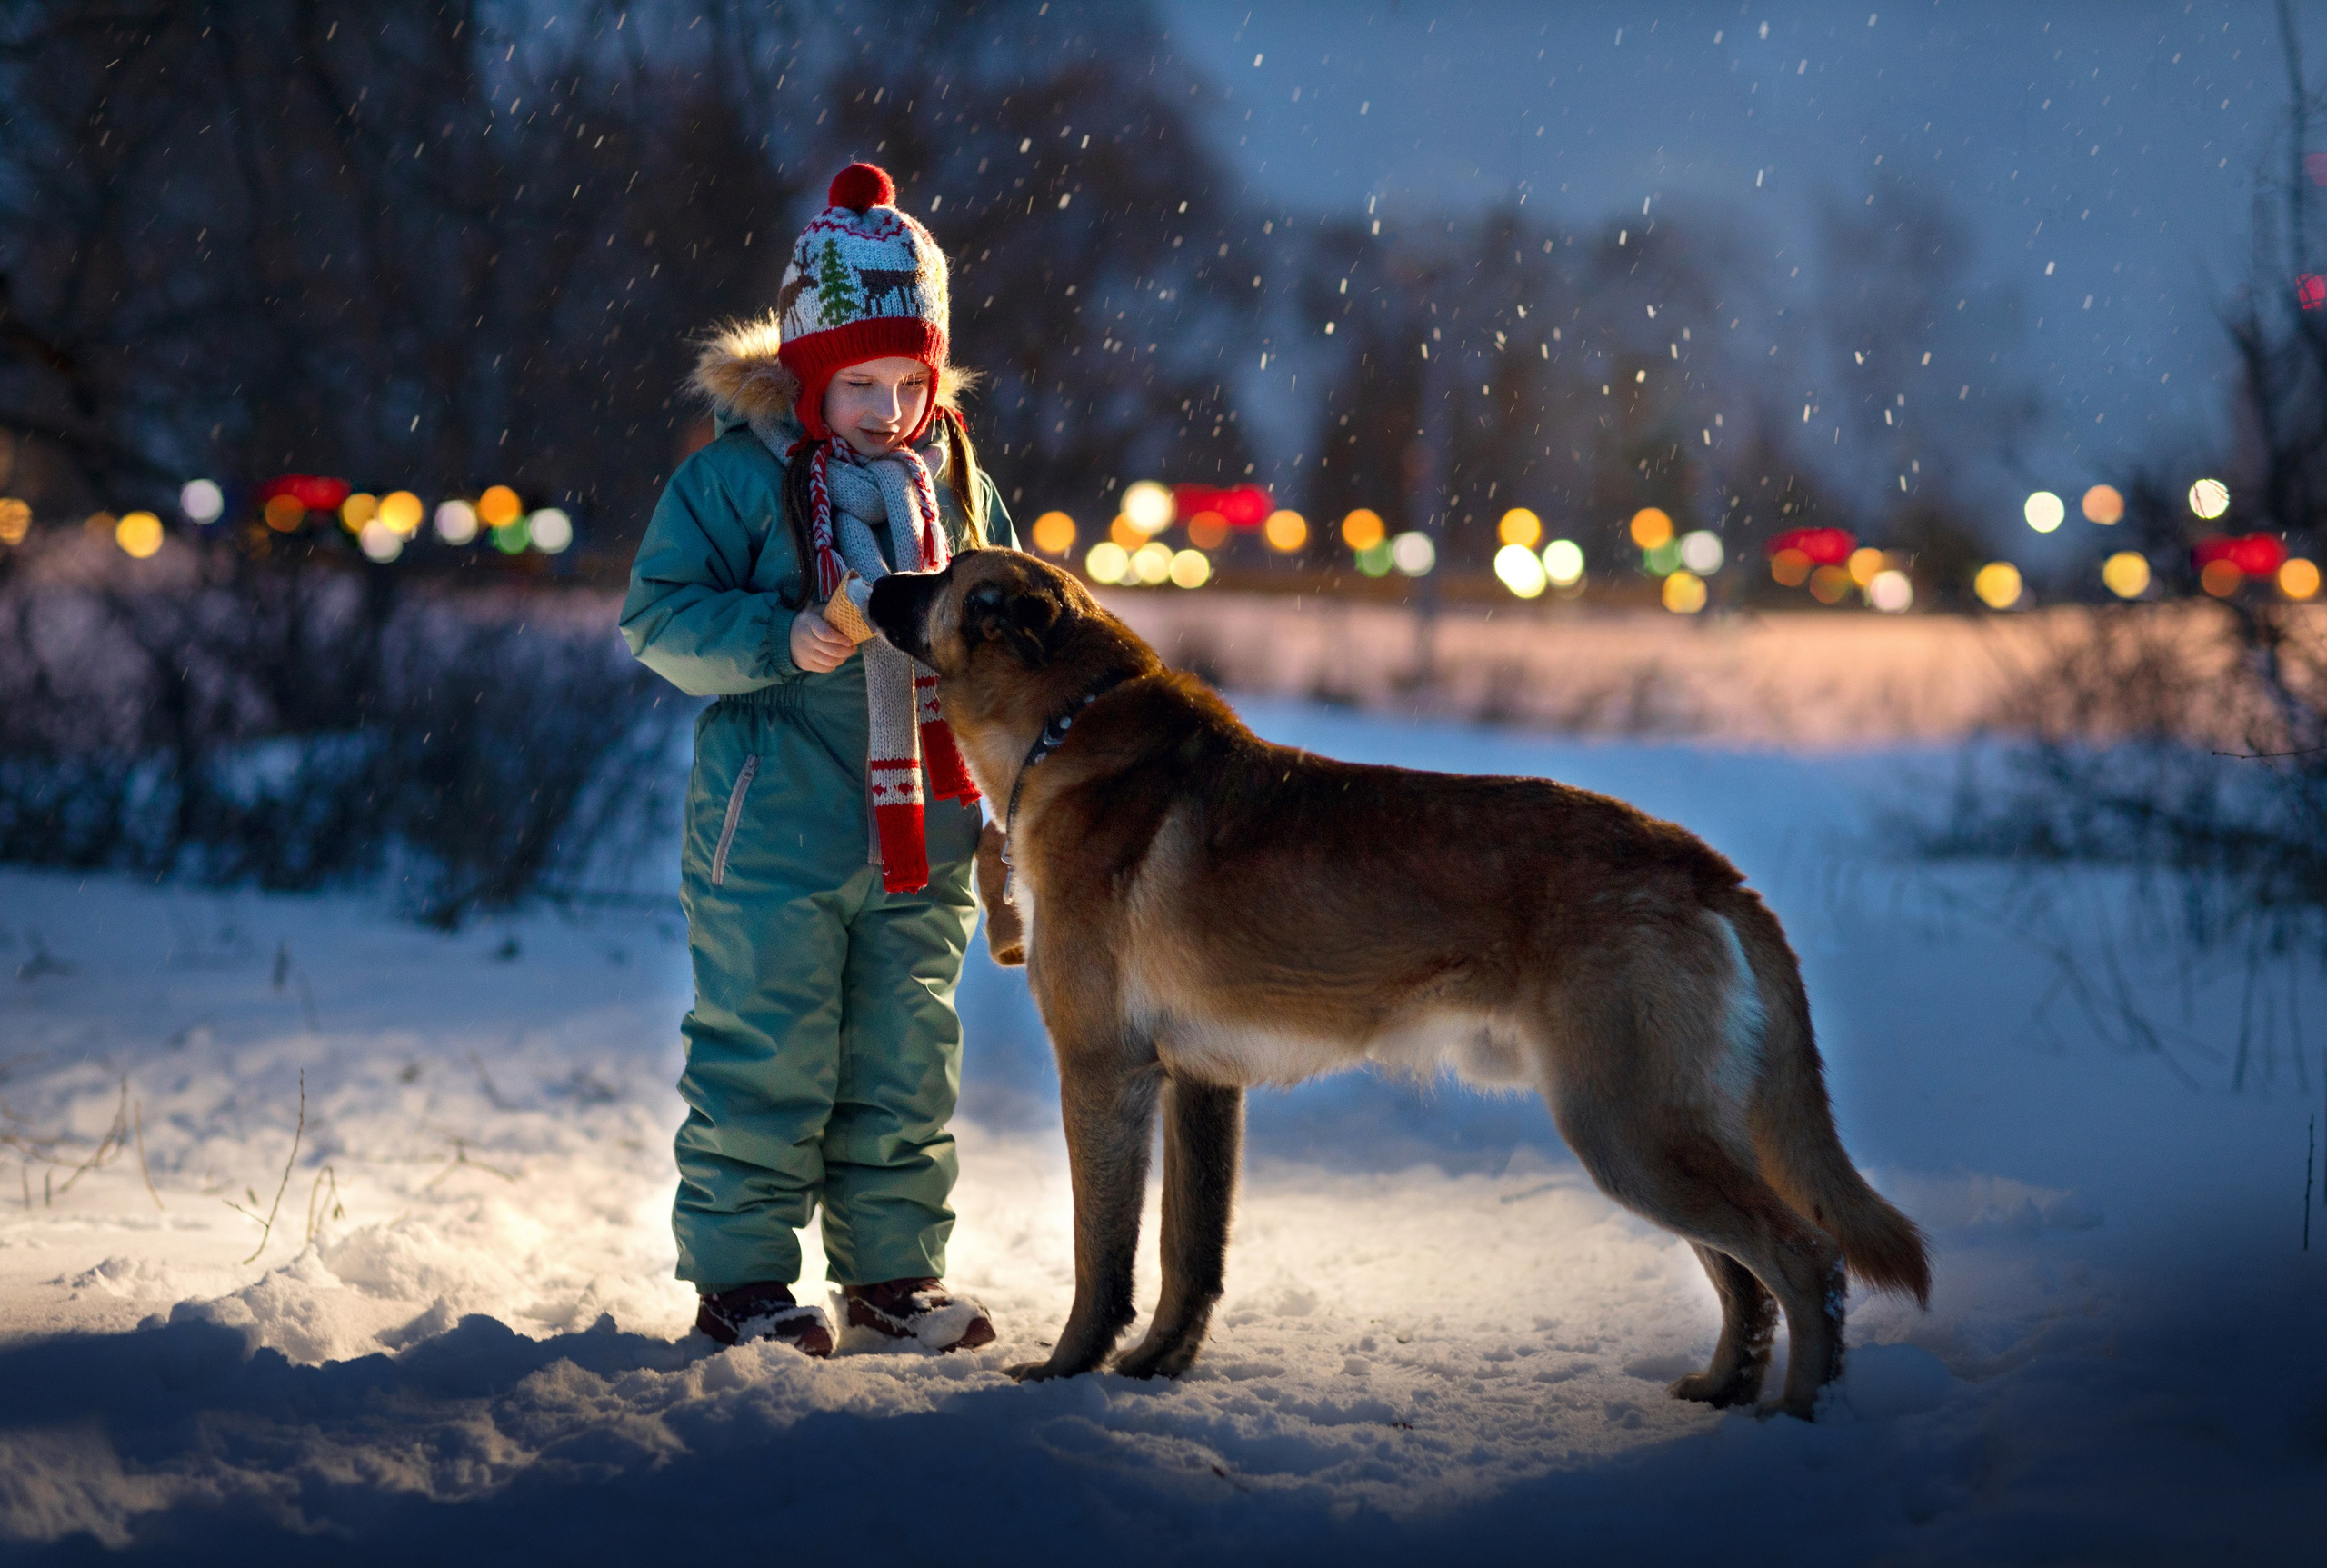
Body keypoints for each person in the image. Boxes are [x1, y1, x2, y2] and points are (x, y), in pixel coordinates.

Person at [620, 163, 1017, 1356]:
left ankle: (892, 1272)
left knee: (906, 1054)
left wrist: (1014, 791)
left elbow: (1006, 632)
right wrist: (779, 638)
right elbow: (657, 615)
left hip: (924, 823)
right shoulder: (738, 479)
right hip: (774, 821)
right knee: (767, 1049)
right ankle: (741, 1280)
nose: (891, 409)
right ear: (807, 373)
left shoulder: (958, 485)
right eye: (861, 384)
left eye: (912, 382)